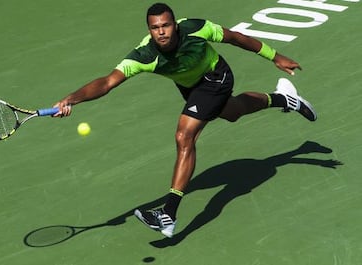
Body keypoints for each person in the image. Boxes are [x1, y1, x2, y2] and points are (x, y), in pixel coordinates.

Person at [52, 3, 317, 238]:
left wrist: (275, 56)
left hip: (216, 76)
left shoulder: (196, 28)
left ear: (175, 25)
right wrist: (71, 99)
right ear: (149, 30)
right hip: (191, 87)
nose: (161, 32)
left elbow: (236, 37)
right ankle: (285, 99)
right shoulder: (144, 56)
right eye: (155, 28)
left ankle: (168, 214)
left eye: (166, 25)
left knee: (184, 136)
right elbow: (108, 81)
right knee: (233, 111)